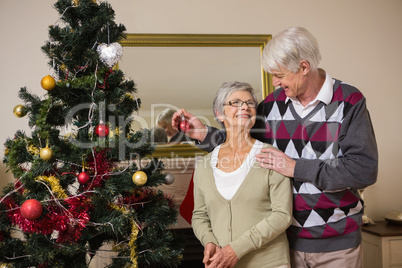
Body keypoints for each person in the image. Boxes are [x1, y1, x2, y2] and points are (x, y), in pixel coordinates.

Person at [173, 27, 378, 268]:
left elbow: (364, 169)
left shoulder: (349, 101)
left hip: (335, 244)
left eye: (279, 75)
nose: (275, 82)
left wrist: (296, 168)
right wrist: (203, 133)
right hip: (284, 243)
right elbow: (243, 146)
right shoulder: (272, 105)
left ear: (303, 68)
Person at [191, 81, 292, 268]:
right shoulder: (204, 165)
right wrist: (209, 242)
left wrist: (236, 249)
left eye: (250, 103)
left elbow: (282, 215)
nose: (245, 107)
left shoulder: (272, 156)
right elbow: (199, 216)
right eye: (235, 103)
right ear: (219, 113)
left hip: (270, 263)